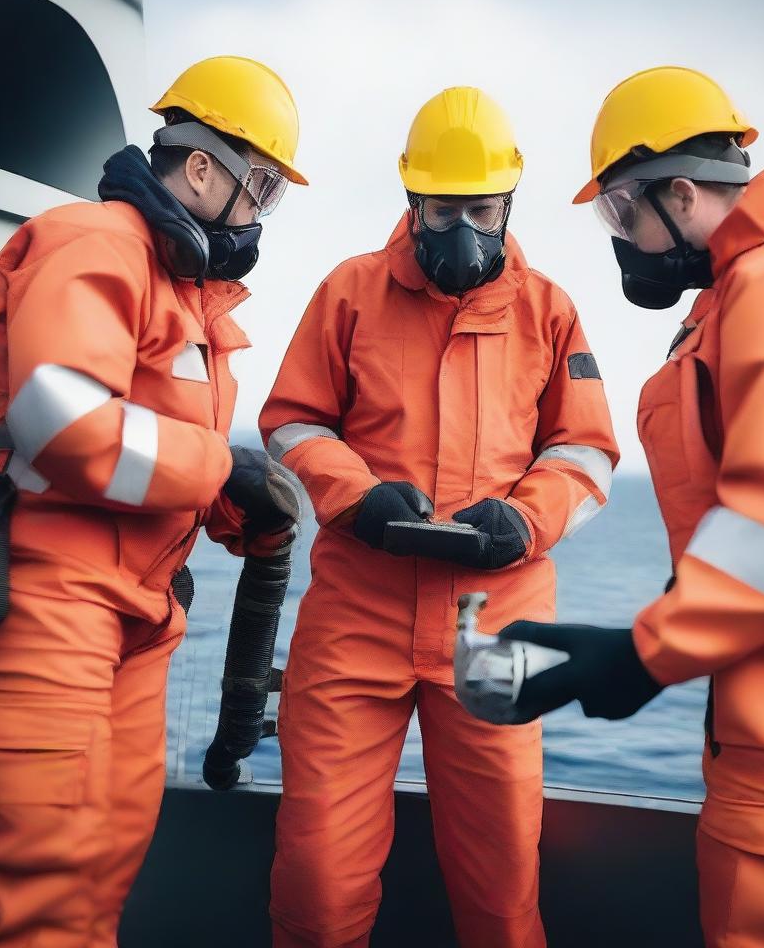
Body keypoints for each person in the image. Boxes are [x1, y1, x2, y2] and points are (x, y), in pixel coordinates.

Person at [468, 65, 764, 947]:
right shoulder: (752, 292)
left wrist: (637, 655)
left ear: (677, 193)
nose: (619, 237)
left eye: (620, 211)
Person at [0, 55, 306, 947]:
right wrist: (218, 469)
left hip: (138, 617)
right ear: (204, 169)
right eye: (263, 189)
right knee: (38, 900)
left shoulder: (194, 303)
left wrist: (243, 508)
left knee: (98, 884)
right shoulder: (95, 243)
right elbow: (61, 421)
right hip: (52, 605)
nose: (261, 216)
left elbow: (154, 457)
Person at [260, 85, 619, 947]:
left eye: (481, 208)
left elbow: (587, 451)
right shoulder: (348, 291)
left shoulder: (552, 309)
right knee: (317, 873)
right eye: (441, 206)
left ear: (510, 202)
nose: (461, 226)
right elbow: (292, 420)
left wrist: (524, 523)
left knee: (502, 882)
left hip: (499, 625)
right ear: (409, 198)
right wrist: (359, 498)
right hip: (358, 612)